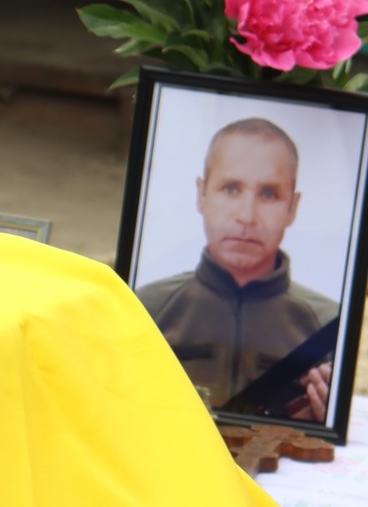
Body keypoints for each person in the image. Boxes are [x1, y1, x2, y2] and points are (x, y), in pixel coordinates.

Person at [136, 117, 340, 421]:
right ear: (202, 195)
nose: (246, 216)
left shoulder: (329, 326)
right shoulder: (144, 309)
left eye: (268, 194)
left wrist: (328, 415)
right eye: (231, 189)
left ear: (292, 208)